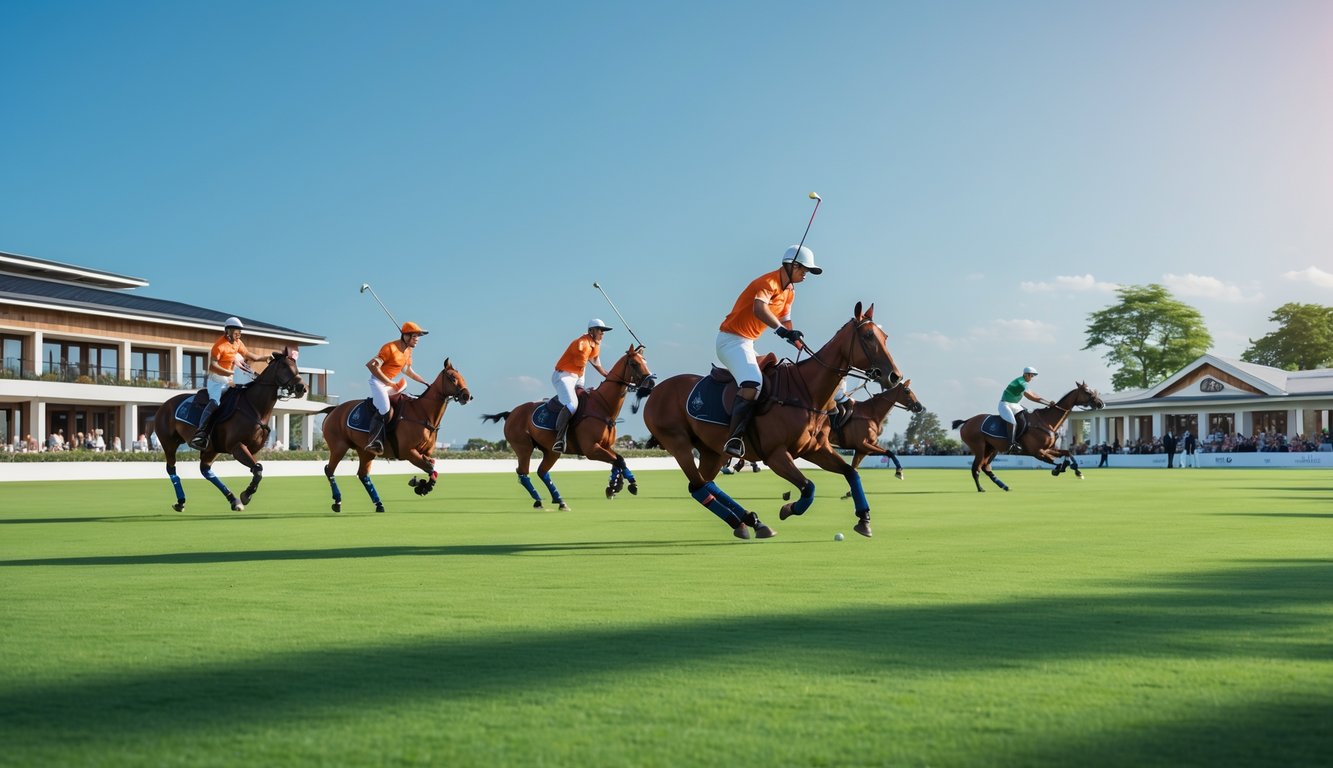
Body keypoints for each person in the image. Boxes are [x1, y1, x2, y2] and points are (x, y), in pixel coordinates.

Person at [717, 244, 822, 457]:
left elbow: (785, 320)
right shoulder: (768, 282)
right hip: (730, 341)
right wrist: (781, 331)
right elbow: (760, 308)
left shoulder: (790, 291)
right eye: (804, 269)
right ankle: (734, 438)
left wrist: (797, 341)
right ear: (792, 265)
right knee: (752, 383)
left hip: (748, 343)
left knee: (770, 381)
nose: (806, 274)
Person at [191, 317, 266, 449]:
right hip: (216, 380)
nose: (239, 334)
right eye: (237, 331)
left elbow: (251, 356)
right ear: (228, 331)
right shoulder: (219, 346)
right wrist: (230, 373)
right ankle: (200, 432)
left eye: (240, 332)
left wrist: (267, 357)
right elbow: (213, 366)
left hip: (230, 379)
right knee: (215, 403)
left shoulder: (238, 343)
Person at [366, 321, 430, 455]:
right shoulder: (389, 348)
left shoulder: (408, 351)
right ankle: (374, 441)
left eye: (418, 336)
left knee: (405, 404)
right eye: (414, 336)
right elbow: (371, 366)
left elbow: (407, 370)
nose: (417, 339)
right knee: (385, 409)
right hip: (378, 383)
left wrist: (425, 382)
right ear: (406, 336)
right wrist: (389, 382)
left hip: (390, 384)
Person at [551, 319, 613, 452]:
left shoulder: (594, 343)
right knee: (572, 405)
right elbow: (583, 363)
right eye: (600, 330)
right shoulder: (582, 344)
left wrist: (607, 374)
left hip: (577, 376)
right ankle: (559, 439)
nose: (602, 333)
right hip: (564, 376)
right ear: (591, 331)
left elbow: (595, 359)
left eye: (603, 331)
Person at [998, 366, 1051, 451]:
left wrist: (1048, 402)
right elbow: (1032, 397)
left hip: (1015, 405)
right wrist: (1048, 403)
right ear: (1026, 375)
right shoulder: (1021, 383)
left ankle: (1021, 439)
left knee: (1025, 418)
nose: (1032, 378)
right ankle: (1011, 444)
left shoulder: (1024, 383)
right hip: (1005, 404)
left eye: (1033, 376)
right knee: (1013, 422)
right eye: (1031, 376)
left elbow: (1034, 394)